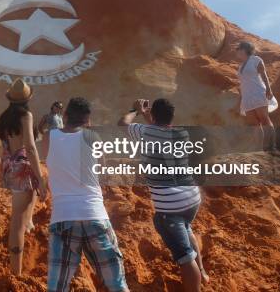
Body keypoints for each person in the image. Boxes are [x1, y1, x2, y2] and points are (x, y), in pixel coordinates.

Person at [118, 98, 208, 292]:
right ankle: (202, 270)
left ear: (154, 115)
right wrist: (149, 116)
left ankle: (195, 279)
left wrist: (135, 109)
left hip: (171, 206)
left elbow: (123, 123)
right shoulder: (181, 134)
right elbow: (157, 129)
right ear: (172, 117)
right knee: (187, 228)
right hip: (192, 197)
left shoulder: (145, 132)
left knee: (184, 256)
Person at [42, 97, 129, 292]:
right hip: (94, 213)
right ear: (88, 120)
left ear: (65, 116)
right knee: (116, 284)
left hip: (63, 217)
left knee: (56, 287)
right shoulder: (93, 138)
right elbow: (102, 171)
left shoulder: (49, 137)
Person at [0, 78, 47, 276]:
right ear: (28, 99)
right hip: (22, 171)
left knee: (23, 213)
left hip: (11, 171)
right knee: (17, 224)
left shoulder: (3, 118)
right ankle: (16, 273)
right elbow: (30, 147)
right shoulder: (26, 116)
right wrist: (40, 178)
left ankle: (29, 222)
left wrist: (1, 166)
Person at [235, 41, 278, 151]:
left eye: (239, 48)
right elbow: (242, 83)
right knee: (254, 124)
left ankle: (272, 147)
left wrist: (269, 89)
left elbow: (264, 75)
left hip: (258, 92)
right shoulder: (240, 67)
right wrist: (241, 98)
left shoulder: (256, 60)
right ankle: (261, 149)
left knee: (264, 119)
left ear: (245, 49)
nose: (237, 51)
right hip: (247, 97)